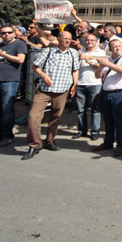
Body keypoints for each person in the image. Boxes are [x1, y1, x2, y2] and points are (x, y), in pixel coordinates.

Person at [23, 31, 79, 160]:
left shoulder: (73, 53)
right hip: (45, 89)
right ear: (58, 39)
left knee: (55, 117)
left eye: (69, 39)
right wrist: (43, 75)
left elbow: (75, 69)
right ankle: (34, 144)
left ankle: (49, 141)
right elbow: (35, 66)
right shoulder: (48, 51)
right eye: (65, 38)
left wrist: (75, 84)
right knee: (34, 116)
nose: (67, 41)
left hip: (63, 89)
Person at [0, 24, 27, 147]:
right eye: (3, 33)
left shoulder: (19, 44)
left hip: (10, 80)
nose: (6, 35)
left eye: (8, 32)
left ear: (13, 33)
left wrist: (3, 55)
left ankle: (7, 135)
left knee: (7, 109)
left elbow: (20, 60)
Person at [92, 38, 122, 157]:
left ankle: (120, 145)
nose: (117, 48)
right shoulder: (108, 59)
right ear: (110, 49)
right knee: (108, 120)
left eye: (119, 46)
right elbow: (97, 75)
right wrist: (101, 66)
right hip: (106, 92)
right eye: (114, 46)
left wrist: (108, 64)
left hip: (120, 92)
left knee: (118, 120)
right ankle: (108, 142)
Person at [75, 33, 106, 141]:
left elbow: (102, 66)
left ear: (96, 41)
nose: (90, 42)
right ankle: (81, 130)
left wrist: (90, 62)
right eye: (88, 40)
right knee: (80, 109)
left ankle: (95, 131)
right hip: (81, 83)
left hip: (95, 83)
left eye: (92, 40)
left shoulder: (101, 53)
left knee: (95, 110)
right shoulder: (80, 52)